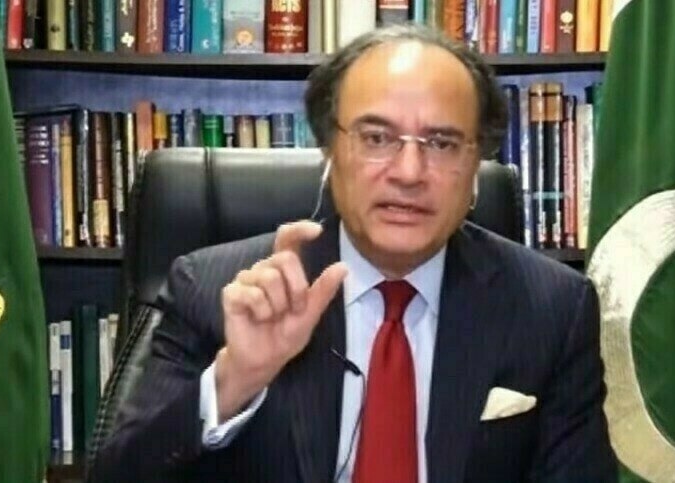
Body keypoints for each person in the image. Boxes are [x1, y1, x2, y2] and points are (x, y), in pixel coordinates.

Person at [90, 24, 616, 482]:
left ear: (477, 158)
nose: (409, 173)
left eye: (442, 143)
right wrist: (235, 379)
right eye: (377, 137)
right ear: (329, 147)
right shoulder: (215, 289)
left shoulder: (552, 308)